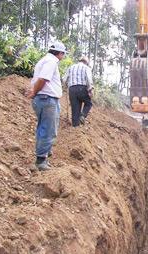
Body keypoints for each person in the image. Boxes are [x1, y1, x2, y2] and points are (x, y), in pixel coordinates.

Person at [26, 41, 66, 171]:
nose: (63, 56)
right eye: (63, 54)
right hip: (47, 99)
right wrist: (35, 92)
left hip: (46, 99)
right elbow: (43, 79)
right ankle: (41, 161)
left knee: (46, 128)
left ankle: (44, 155)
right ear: (60, 53)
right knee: (47, 129)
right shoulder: (51, 62)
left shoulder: (45, 60)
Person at [63, 56, 94, 127]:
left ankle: (75, 128)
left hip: (72, 89)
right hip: (82, 88)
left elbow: (64, 79)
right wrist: (90, 90)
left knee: (75, 110)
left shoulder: (71, 67)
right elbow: (89, 80)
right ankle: (83, 116)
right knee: (88, 103)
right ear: (86, 62)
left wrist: (65, 87)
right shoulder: (86, 68)